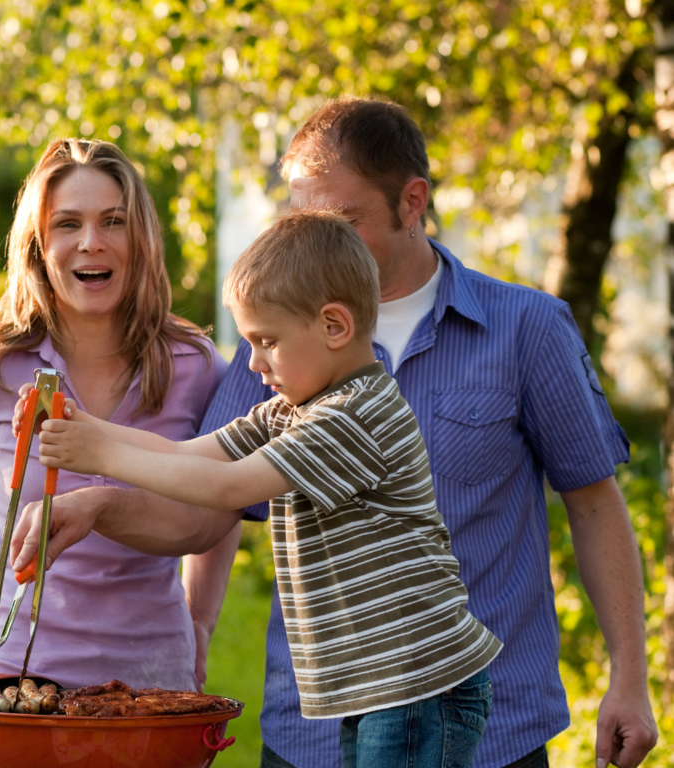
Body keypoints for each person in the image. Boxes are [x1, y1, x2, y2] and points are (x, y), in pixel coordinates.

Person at [11, 97, 658, 768]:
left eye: (340, 220)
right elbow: (200, 492)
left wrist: (630, 680)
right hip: (317, 726)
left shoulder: (517, 333)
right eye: (301, 218)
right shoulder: (280, 361)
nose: (317, 240)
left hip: (459, 715)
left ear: (412, 202)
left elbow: (592, 502)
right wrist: (93, 474)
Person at [37, 210, 501, 766]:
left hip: (418, 681)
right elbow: (190, 455)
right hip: (380, 685)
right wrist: (84, 426)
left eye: (267, 341)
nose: (253, 362)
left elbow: (228, 485)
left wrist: (102, 455)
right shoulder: (292, 410)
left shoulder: (354, 416)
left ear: (334, 326)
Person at [0, 138, 225, 690]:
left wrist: (201, 616)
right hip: (14, 677)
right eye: (67, 224)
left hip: (155, 682)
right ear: (38, 244)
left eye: (114, 221)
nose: (92, 243)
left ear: (143, 238)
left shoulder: (197, 367)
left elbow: (222, 498)